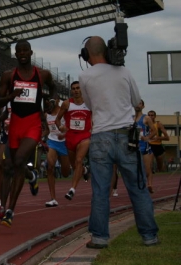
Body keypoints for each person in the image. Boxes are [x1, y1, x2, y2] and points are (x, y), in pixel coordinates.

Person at [79, 36, 159, 248]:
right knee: (138, 187)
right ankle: (149, 236)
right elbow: (136, 101)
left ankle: (99, 237)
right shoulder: (124, 72)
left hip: (100, 137)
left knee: (101, 189)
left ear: (87, 54)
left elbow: (90, 104)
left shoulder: (85, 76)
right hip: (126, 136)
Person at [0, 39, 57, 227]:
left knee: (20, 160)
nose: (22, 53)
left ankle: (10, 211)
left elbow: (54, 88)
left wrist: (52, 101)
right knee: (13, 167)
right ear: (16, 54)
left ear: (31, 53)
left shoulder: (42, 74)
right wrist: (11, 96)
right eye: (19, 51)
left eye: (25, 50)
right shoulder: (8, 75)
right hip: (15, 125)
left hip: (32, 124)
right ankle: (30, 178)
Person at [55, 81, 92, 201]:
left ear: (82, 90)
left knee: (79, 159)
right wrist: (61, 127)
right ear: (71, 91)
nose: (76, 90)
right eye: (74, 89)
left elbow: (97, 116)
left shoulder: (89, 103)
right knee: (75, 166)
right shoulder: (66, 104)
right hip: (70, 137)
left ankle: (72, 189)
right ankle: (85, 170)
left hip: (84, 136)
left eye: (78, 88)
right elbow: (57, 120)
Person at [45, 98, 71, 207]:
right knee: (49, 166)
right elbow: (47, 130)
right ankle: (53, 199)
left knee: (65, 173)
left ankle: (83, 169)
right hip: (52, 141)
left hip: (64, 143)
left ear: (56, 101)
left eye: (52, 101)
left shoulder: (64, 111)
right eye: (49, 102)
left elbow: (70, 127)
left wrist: (64, 134)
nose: (50, 104)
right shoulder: (46, 115)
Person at [134, 100, 157, 193]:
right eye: (136, 103)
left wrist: (147, 137)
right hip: (134, 146)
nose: (137, 105)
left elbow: (154, 130)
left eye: (140, 103)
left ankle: (149, 184)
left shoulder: (146, 118)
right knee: (135, 169)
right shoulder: (130, 118)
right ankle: (140, 187)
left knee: (147, 169)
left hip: (144, 146)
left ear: (143, 106)